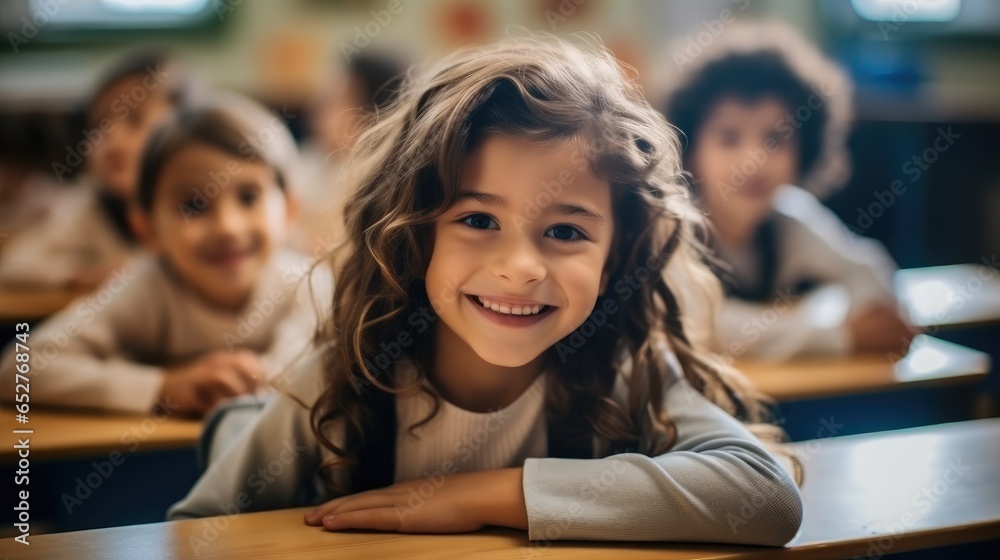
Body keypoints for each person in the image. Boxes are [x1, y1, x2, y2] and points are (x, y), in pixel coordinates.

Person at [168, 37, 803, 546]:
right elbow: (195, 530)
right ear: (417, 235)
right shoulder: (341, 380)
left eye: (564, 230)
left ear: (615, 258)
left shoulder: (627, 369)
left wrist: (479, 497)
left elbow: (766, 498)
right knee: (241, 426)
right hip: (265, 414)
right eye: (477, 220)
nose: (521, 267)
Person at [0, 92, 322, 418]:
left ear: (290, 210)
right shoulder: (147, 286)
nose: (228, 227)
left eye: (249, 197)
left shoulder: (309, 284)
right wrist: (163, 386)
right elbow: (19, 369)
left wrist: (256, 376)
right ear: (147, 230)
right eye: (193, 205)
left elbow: (302, 369)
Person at [662, 23, 917, 360]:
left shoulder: (791, 217)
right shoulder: (671, 229)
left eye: (774, 139)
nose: (754, 161)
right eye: (729, 137)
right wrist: (839, 335)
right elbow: (701, 326)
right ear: (690, 152)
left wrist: (864, 318)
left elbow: (869, 270)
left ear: (804, 151)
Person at [0, 51, 198, 289]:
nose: (112, 140)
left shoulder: (204, 202)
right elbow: (16, 264)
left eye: (135, 120)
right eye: (99, 126)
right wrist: (83, 274)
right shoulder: (90, 208)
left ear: (186, 131)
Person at [293, 52, 409, 256]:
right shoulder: (313, 160)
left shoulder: (388, 186)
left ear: (372, 115)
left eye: (335, 99)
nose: (317, 109)